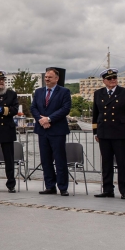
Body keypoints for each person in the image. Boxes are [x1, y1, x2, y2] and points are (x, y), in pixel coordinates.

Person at [92, 68, 125, 199]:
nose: (113, 80)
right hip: (104, 132)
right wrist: (95, 132)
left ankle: (124, 190)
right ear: (104, 81)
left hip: (120, 132)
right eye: (109, 79)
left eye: (114, 78)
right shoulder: (98, 93)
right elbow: (96, 114)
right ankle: (107, 189)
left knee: (122, 162)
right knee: (106, 162)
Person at [30, 67, 72, 196]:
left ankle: (63, 187)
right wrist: (41, 120)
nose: (47, 79)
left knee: (60, 160)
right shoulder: (39, 92)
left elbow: (65, 109)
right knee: (46, 160)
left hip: (57, 130)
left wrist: (49, 119)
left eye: (50, 77)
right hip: (42, 130)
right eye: (46, 77)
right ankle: (50, 186)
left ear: (57, 79)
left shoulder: (64, 91)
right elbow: (33, 108)